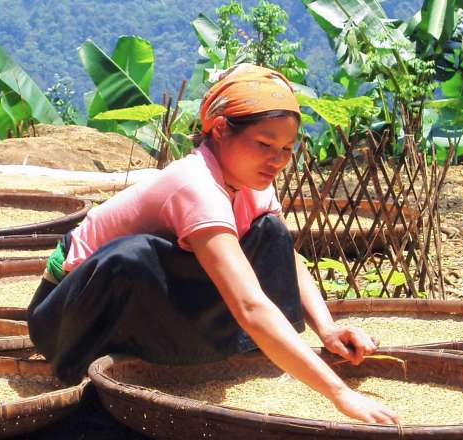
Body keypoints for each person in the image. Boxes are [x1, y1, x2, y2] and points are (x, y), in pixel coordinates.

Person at [28, 63, 399, 424]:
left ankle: (248, 355)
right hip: (67, 317)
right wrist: (340, 394)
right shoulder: (196, 187)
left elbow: (284, 256)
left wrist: (328, 328)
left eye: (286, 149)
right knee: (134, 256)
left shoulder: (252, 181)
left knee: (270, 231)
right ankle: (110, 375)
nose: (277, 160)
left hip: (151, 301)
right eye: (264, 143)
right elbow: (249, 306)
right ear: (220, 129)